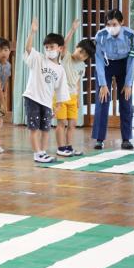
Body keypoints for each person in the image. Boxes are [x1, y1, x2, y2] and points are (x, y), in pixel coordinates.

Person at [23, 18, 69, 163]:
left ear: (60, 48)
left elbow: (61, 88)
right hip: (32, 98)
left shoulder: (60, 69)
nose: (49, 50)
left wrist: (59, 104)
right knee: (34, 128)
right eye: (47, 47)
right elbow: (28, 49)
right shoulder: (39, 59)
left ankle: (43, 152)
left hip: (47, 102)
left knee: (45, 129)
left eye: (52, 47)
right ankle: (37, 154)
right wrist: (32, 32)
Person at [93, 9, 134, 150]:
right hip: (106, 65)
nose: (111, 28)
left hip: (124, 65)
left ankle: (126, 139)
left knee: (125, 101)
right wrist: (103, 84)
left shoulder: (131, 36)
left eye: (114, 24)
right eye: (108, 24)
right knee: (103, 99)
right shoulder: (100, 36)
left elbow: (132, 60)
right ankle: (99, 139)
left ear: (122, 22)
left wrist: (128, 83)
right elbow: (99, 60)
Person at [54, 19, 96, 157]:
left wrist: (78, 98)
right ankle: (60, 148)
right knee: (61, 123)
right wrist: (72, 30)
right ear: (76, 47)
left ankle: (69, 147)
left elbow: (78, 82)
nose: (81, 55)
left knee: (72, 124)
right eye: (80, 51)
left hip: (72, 97)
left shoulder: (82, 66)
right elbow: (64, 44)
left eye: (85, 55)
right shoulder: (65, 57)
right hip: (60, 96)